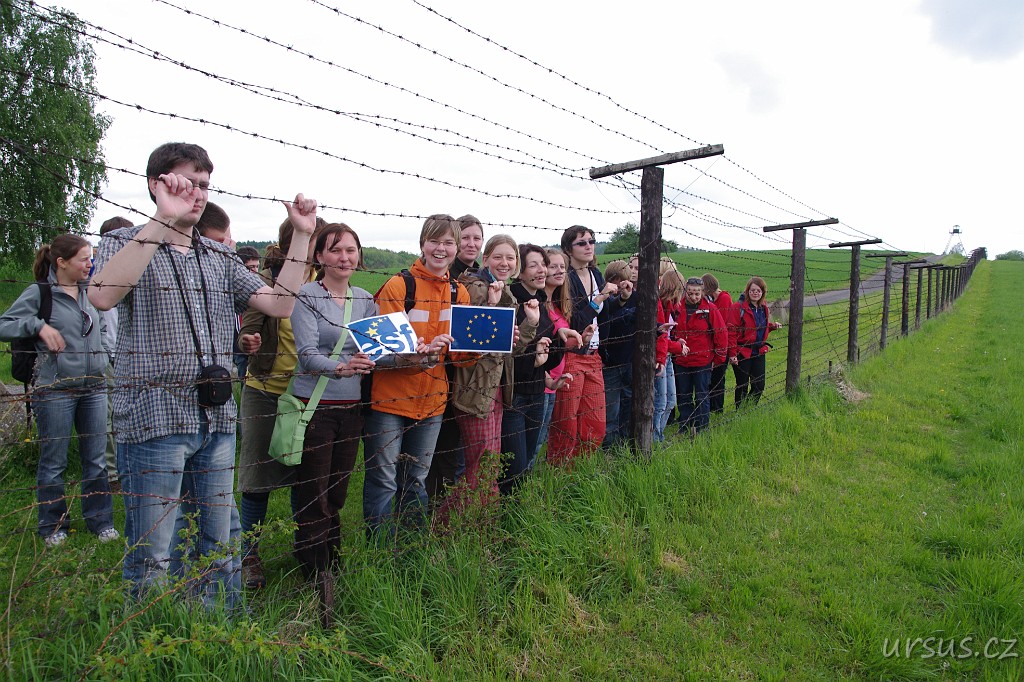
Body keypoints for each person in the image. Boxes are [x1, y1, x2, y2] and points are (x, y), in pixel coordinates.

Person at [89, 142, 318, 607]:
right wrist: (162, 218)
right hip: (154, 418)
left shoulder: (218, 256)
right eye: (185, 184)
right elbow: (102, 296)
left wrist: (301, 235)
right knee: (155, 546)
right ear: (156, 184)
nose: (196, 194)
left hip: (215, 418)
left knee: (219, 538)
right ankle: (156, 631)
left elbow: (279, 304)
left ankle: (220, 627)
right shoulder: (125, 242)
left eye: (204, 186)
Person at [0, 235, 118, 548]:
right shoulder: (40, 293)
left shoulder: (91, 291)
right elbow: (4, 324)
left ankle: (101, 521)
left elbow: (103, 327)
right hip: (56, 390)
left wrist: (104, 355)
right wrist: (37, 326)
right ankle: (53, 526)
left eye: (91, 258)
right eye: (83, 259)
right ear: (61, 262)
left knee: (96, 460)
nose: (90, 264)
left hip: (94, 386)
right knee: (54, 463)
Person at [362, 214, 471, 536]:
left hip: (433, 401)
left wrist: (487, 343)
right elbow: (379, 352)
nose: (441, 249)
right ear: (422, 244)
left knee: (416, 478)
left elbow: (460, 357)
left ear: (456, 248)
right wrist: (422, 354)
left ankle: (411, 547)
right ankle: (379, 550)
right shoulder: (399, 286)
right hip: (389, 401)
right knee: (384, 480)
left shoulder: (459, 293)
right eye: (434, 241)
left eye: (448, 242)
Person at [291, 223, 377, 627]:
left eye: (351, 250)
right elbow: (307, 353)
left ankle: (331, 561)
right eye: (336, 249)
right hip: (316, 406)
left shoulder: (365, 300)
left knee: (338, 490)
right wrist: (342, 367)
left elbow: (378, 349)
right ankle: (314, 568)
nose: (345, 257)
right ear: (320, 256)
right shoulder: (307, 295)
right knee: (314, 490)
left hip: (351, 407)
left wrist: (418, 351)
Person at [234, 218, 323, 591]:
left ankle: (304, 548)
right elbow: (248, 330)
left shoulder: (325, 284)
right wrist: (248, 342)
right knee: (257, 478)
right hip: (267, 391)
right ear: (292, 243)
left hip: (308, 395)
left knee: (305, 475)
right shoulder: (269, 282)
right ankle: (249, 555)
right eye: (311, 239)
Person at [448, 234, 537, 504]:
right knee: (481, 466)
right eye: (498, 257)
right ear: (485, 259)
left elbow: (509, 350)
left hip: (494, 387)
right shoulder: (477, 287)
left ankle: (481, 519)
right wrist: (490, 306)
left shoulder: (504, 290)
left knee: (488, 464)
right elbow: (465, 339)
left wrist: (530, 324)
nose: (504, 263)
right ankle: (455, 523)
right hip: (476, 387)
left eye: (510, 257)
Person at [547, 226, 617, 466]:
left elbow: (604, 316)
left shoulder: (595, 273)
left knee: (595, 423)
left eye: (591, 241)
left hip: (594, 355)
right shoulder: (565, 279)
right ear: (568, 249)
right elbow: (575, 322)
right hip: (573, 355)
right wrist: (599, 299)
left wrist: (621, 298)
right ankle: (560, 472)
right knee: (567, 422)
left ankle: (581, 469)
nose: (589, 246)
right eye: (582, 243)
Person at [425, 214, 482, 502]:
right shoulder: (443, 276)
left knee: (454, 448)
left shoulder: (480, 278)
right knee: (437, 449)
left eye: (476, 238)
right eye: (466, 237)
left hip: (462, 376)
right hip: (433, 375)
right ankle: (434, 505)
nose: (471, 244)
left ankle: (447, 506)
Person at [503, 244, 562, 481]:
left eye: (543, 264)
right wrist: (534, 361)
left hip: (538, 393)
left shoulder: (539, 301)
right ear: (520, 271)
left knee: (527, 461)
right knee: (514, 469)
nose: (542, 270)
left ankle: (521, 502)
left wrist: (561, 341)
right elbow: (507, 361)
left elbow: (549, 360)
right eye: (533, 265)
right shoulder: (511, 303)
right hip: (514, 396)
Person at [97, 216, 134, 490]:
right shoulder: (97, 280)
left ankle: (128, 466)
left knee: (128, 416)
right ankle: (112, 474)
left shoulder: (137, 273)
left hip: (132, 358)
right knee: (108, 417)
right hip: (107, 357)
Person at [535, 249, 578, 460]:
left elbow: (560, 344)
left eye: (563, 267)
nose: (559, 271)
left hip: (554, 380)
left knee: (540, 439)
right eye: (553, 266)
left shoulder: (558, 305)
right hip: (541, 379)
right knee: (534, 442)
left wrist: (581, 338)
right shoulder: (538, 305)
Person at [671, 277, 727, 437]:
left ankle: (702, 427)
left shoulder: (710, 309)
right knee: (684, 394)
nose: (693, 297)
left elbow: (721, 333)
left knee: (702, 394)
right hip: (682, 359)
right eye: (690, 293)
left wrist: (719, 358)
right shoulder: (677, 308)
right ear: (685, 291)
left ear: (702, 292)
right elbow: (671, 331)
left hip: (702, 360)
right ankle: (685, 425)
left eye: (697, 293)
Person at [728, 276, 781, 407]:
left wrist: (772, 327)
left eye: (758, 290)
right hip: (742, 351)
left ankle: (750, 408)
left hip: (759, 351)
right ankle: (740, 411)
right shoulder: (738, 308)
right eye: (752, 290)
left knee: (759, 385)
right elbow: (731, 332)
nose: (755, 293)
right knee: (742, 384)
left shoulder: (763, 307)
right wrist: (732, 354)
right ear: (747, 291)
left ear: (763, 292)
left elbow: (760, 327)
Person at [599, 260, 635, 447]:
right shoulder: (603, 299)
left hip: (630, 359)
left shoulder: (636, 297)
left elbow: (641, 320)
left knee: (628, 404)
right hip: (610, 362)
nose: (619, 285)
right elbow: (605, 322)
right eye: (615, 280)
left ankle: (625, 442)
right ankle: (609, 446)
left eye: (622, 280)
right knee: (611, 408)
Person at [654, 270, 686, 442]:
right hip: (659, 358)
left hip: (666, 357)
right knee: (660, 402)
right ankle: (653, 439)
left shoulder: (671, 306)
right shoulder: (660, 304)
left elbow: (667, 335)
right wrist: (678, 347)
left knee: (670, 401)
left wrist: (675, 341)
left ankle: (659, 435)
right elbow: (660, 335)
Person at [702, 273, 733, 415]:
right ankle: (712, 406)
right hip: (713, 345)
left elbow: (721, 324)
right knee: (712, 378)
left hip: (721, 345)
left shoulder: (724, 298)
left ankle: (718, 408)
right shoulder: (714, 299)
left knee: (718, 378)